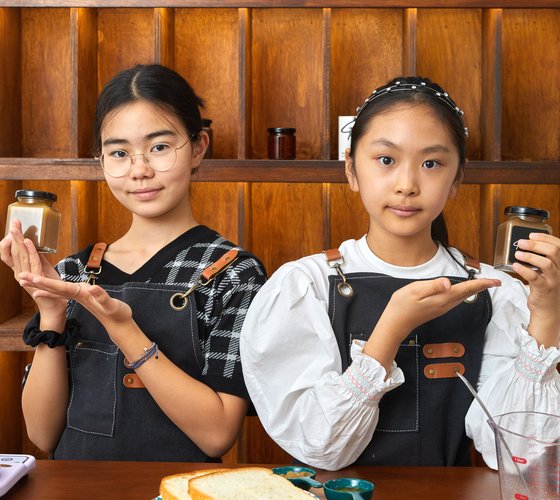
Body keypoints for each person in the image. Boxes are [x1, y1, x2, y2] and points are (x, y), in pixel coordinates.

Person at [240, 76, 560, 469]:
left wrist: (546, 313)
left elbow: (518, 456)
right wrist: (391, 327)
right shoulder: (306, 285)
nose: (407, 185)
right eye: (386, 160)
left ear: (457, 178)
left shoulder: (494, 289)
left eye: (431, 163)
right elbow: (321, 449)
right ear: (351, 170)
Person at [1, 64, 266, 461]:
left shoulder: (234, 273)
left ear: (198, 148)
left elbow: (217, 434)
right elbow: (43, 434)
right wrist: (52, 312)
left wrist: (123, 328)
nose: (140, 170)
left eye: (160, 147)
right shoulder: (72, 272)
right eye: (120, 153)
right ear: (101, 162)